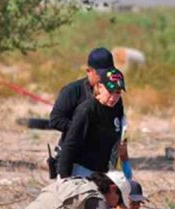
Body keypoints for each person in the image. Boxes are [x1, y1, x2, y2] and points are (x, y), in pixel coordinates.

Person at [49, 47, 131, 179]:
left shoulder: (114, 97)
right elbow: (55, 120)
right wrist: (83, 129)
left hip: (100, 164)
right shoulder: (72, 91)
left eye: (108, 73)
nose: (103, 78)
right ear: (89, 71)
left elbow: (119, 126)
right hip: (75, 162)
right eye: (100, 74)